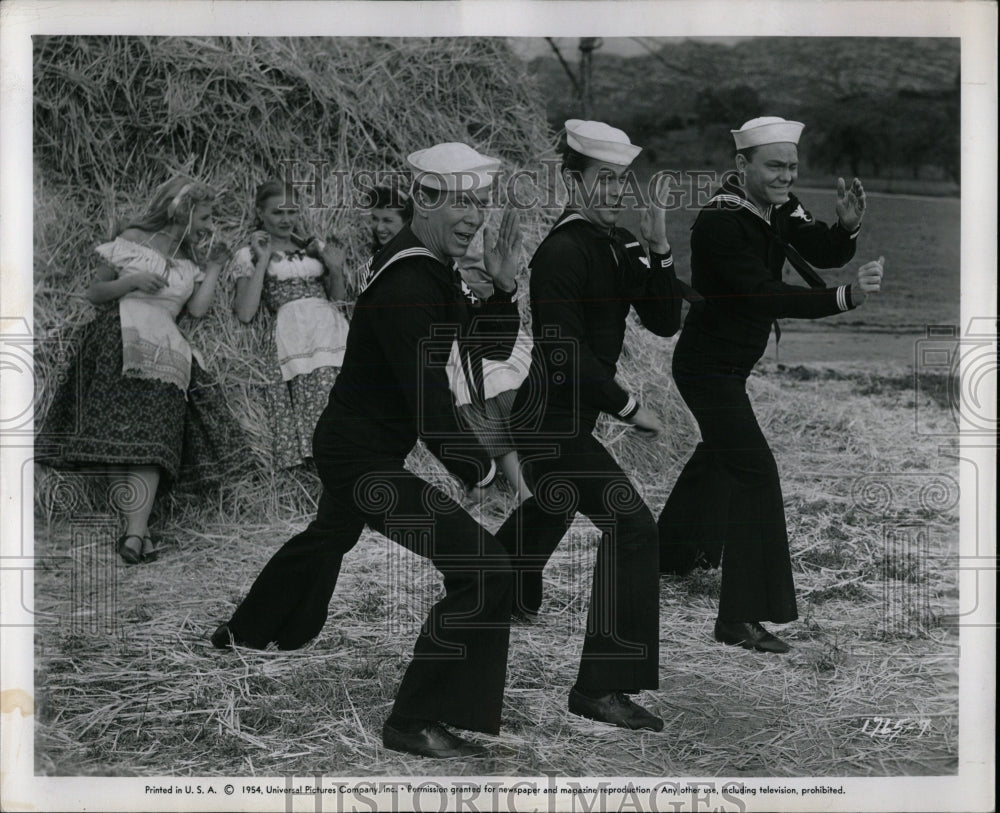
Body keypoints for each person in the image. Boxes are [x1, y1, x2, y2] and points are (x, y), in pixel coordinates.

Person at [211, 143, 523, 759]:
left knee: (328, 536)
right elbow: (428, 400)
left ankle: (244, 631)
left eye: (480, 204)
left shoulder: (430, 269)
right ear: (425, 201)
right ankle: (414, 722)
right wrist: (480, 466)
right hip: (361, 459)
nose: (473, 218)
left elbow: (476, 349)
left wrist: (505, 292)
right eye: (460, 202)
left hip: (357, 447)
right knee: (485, 567)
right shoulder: (411, 278)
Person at [493, 120, 696, 732]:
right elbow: (560, 350)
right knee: (633, 529)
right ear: (571, 182)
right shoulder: (563, 250)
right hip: (547, 420)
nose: (614, 193)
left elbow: (663, 319)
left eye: (621, 183)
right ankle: (600, 688)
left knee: (552, 506)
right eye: (602, 182)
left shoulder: (616, 244)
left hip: (567, 416)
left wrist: (659, 248)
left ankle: (486, 581)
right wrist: (630, 407)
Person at [656, 116, 885, 653]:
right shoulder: (718, 223)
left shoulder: (778, 205)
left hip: (731, 365)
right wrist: (841, 299)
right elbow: (762, 295)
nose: (787, 176)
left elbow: (820, 249)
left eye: (792, 166)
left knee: (721, 454)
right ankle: (741, 616)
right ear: (742, 166)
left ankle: (669, 555)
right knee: (755, 473)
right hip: (706, 369)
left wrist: (845, 227)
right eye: (776, 166)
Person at [37, 175, 237, 564]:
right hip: (119, 336)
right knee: (118, 437)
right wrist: (131, 280)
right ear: (183, 210)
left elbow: (196, 310)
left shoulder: (191, 260)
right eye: (206, 217)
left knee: (152, 439)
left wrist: (212, 267)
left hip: (165, 347)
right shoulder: (131, 238)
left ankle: (134, 532)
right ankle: (136, 534)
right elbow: (95, 294)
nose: (210, 227)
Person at [231, 180, 349, 469]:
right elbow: (246, 312)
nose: (286, 219)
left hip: (331, 328)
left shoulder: (314, 247)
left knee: (346, 397)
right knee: (317, 403)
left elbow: (338, 298)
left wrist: (334, 268)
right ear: (261, 213)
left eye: (292, 212)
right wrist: (263, 260)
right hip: (295, 334)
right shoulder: (247, 255)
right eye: (278, 213)